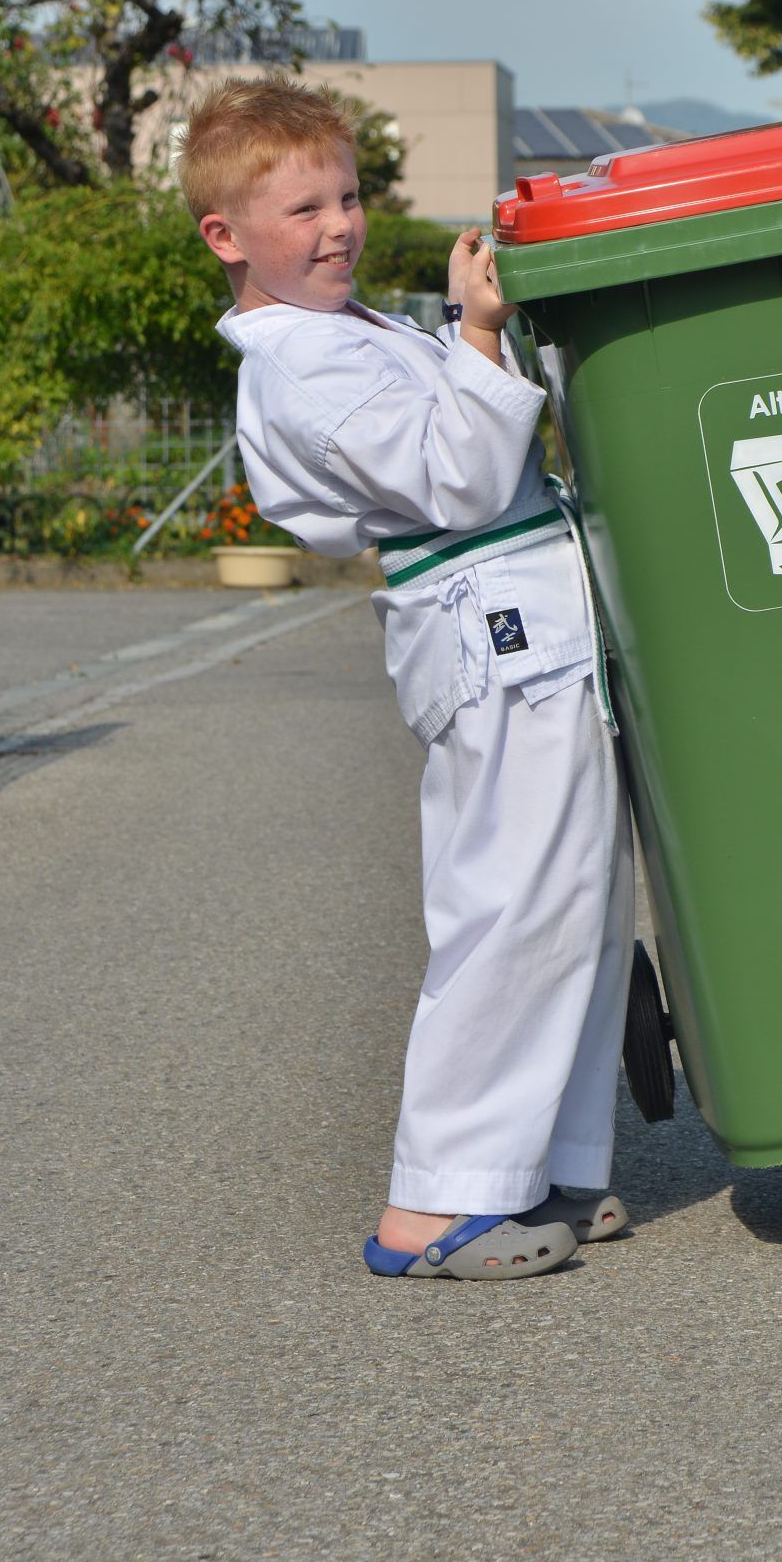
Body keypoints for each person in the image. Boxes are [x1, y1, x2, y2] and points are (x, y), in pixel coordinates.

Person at [183, 75, 634, 1280]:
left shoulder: (339, 333)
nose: (338, 225)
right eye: (302, 210)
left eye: (347, 194)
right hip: (488, 630)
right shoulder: (298, 364)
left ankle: (538, 1158)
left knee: (577, 899)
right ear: (225, 236)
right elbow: (458, 479)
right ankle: (435, 1205)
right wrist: (476, 333)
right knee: (512, 906)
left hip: (521, 628)